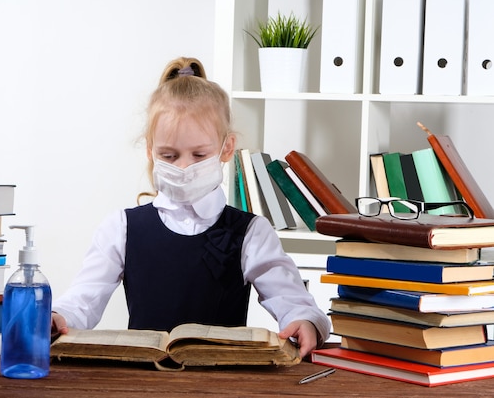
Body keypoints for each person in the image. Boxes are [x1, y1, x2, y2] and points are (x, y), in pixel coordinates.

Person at [51, 56, 330, 357]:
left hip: (222, 380)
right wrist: (58, 317)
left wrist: (305, 321)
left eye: (198, 155)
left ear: (227, 148)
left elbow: (291, 297)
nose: (184, 167)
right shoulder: (121, 228)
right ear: (150, 149)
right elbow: (83, 298)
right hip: (145, 381)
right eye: (169, 156)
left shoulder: (251, 233)